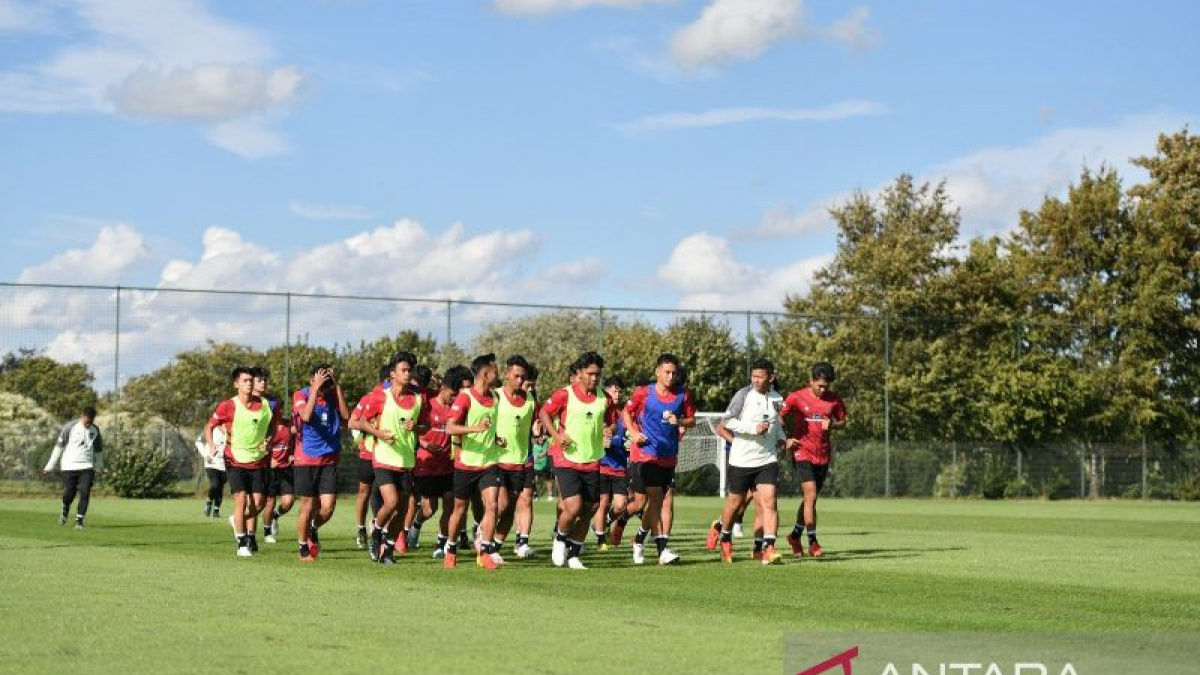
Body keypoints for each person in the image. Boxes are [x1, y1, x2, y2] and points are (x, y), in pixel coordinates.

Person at [538, 351, 617, 570]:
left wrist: (609, 430)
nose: (594, 378)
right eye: (590, 374)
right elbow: (544, 413)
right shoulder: (565, 394)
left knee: (590, 509)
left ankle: (573, 553)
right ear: (580, 373)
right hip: (566, 459)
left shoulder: (604, 398)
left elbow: (613, 422)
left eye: (598, 375)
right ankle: (560, 539)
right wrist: (556, 435)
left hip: (591, 459)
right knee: (573, 507)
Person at [706, 358, 786, 564]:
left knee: (769, 501)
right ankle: (724, 534)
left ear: (771, 377)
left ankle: (769, 548)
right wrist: (753, 428)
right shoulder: (743, 395)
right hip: (742, 460)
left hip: (767, 459)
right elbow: (727, 422)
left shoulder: (778, 398)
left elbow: (776, 424)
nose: (756, 380)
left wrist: (782, 439)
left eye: (760, 376)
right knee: (735, 504)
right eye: (754, 376)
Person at [623, 353, 695, 565]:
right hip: (646, 455)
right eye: (667, 372)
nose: (671, 376)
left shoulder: (683, 395)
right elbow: (626, 413)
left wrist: (679, 420)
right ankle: (662, 550)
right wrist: (634, 433)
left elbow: (691, 419)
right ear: (657, 372)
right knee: (655, 499)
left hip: (668, 456)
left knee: (654, 503)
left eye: (674, 373)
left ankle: (638, 540)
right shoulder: (643, 393)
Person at [358, 351, 429, 565]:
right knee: (391, 501)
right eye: (404, 370)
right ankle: (376, 532)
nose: (408, 374)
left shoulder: (418, 397)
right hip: (383, 458)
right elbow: (362, 421)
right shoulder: (381, 395)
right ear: (393, 374)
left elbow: (426, 426)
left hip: (406, 461)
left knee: (402, 509)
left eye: (410, 371)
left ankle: (388, 549)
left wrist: (416, 427)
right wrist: (380, 434)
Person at [205, 367, 278, 557]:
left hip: (257, 461)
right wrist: (212, 444)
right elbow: (210, 425)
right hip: (234, 459)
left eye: (251, 380)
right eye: (245, 380)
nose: (249, 383)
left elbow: (272, 427)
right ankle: (241, 543)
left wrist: (268, 440)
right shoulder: (227, 405)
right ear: (236, 383)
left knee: (259, 504)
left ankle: (236, 520)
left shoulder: (266, 405)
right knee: (241, 498)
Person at [443, 354, 506, 570]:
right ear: (485, 374)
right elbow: (450, 428)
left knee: (493, 505)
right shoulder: (465, 397)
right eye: (495, 372)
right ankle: (450, 548)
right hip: (466, 463)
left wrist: (495, 437)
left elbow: (490, 426)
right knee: (460, 510)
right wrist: (475, 429)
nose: (498, 376)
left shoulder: (496, 398)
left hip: (489, 462)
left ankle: (485, 551)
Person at [781, 362, 847, 558]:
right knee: (810, 495)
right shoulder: (796, 397)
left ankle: (795, 536)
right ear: (810, 381)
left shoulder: (834, 400)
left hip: (823, 455)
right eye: (819, 385)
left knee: (811, 499)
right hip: (802, 452)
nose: (822, 389)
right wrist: (786, 438)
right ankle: (813, 542)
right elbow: (780, 416)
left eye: (826, 386)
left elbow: (843, 422)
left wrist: (833, 424)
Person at [407, 365, 468, 558]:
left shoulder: (457, 409)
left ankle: (442, 543)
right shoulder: (427, 404)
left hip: (448, 465)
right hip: (426, 464)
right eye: (451, 394)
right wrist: (424, 443)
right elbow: (412, 430)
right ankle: (416, 524)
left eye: (456, 395)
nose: (453, 399)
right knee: (430, 508)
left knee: (450, 503)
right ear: (443, 388)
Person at [293, 363, 351, 562]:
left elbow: (346, 417)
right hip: (306, 458)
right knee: (308, 506)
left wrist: (338, 387)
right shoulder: (301, 395)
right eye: (322, 379)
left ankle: (312, 528)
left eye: (328, 380)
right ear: (312, 380)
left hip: (329, 459)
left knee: (328, 507)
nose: (326, 384)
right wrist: (315, 390)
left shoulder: (333, 395)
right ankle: (303, 549)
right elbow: (306, 416)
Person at [492, 355, 534, 558]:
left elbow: (538, 420)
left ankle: (495, 548)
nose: (519, 381)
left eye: (522, 377)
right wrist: (492, 437)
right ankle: (483, 538)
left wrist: (540, 430)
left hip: (521, 461)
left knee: (511, 511)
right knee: (501, 506)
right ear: (506, 374)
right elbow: (482, 422)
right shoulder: (495, 397)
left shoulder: (530, 399)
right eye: (516, 376)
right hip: (498, 461)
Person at [349, 365, 390, 554]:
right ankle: (361, 530)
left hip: (389, 456)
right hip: (368, 454)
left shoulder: (399, 399)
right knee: (364, 492)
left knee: (387, 495)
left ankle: (380, 530)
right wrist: (370, 426)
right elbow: (352, 422)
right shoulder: (369, 398)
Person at [43, 406, 103, 529]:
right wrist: (50, 465)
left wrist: (100, 466)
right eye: (87, 422)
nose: (88, 424)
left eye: (91, 422)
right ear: (82, 416)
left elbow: (98, 450)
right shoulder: (70, 427)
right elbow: (58, 447)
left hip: (87, 466)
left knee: (85, 491)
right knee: (69, 493)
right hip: (69, 466)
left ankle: (79, 521)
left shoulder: (95, 430)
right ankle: (65, 509)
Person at [594, 376, 629, 550]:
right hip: (602, 465)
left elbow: (627, 437)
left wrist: (630, 444)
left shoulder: (625, 414)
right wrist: (601, 442)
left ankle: (605, 522)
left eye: (620, 391)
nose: (617, 394)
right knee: (602, 502)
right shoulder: (599, 410)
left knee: (621, 505)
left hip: (620, 465)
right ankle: (601, 540)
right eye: (614, 390)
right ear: (606, 391)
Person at [195, 427, 225, 518]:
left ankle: (216, 510)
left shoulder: (231, 429)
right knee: (215, 484)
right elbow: (198, 441)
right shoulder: (210, 428)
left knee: (220, 487)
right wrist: (205, 455)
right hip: (211, 463)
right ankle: (209, 502)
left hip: (225, 464)